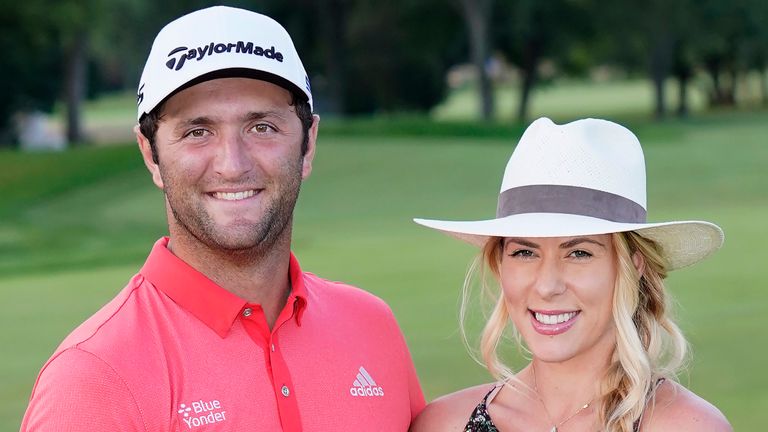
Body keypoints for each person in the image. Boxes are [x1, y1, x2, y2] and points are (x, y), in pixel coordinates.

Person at [21, 6, 424, 431]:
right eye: (198, 132)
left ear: (308, 145)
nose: (232, 165)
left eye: (262, 127)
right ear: (150, 154)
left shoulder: (372, 326)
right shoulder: (92, 379)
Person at [409, 118, 732, 432]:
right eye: (525, 252)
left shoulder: (686, 426)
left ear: (632, 267)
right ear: (500, 265)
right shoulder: (443, 424)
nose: (548, 286)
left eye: (579, 253)